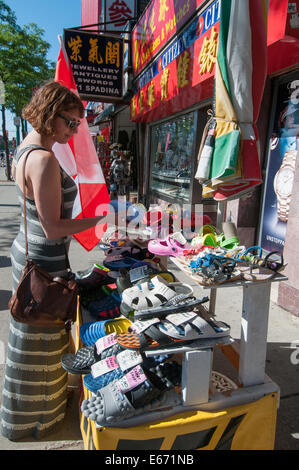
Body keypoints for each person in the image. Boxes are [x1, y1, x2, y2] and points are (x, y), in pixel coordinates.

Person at [0, 81, 106, 441]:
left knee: (31, 334)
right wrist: (98, 218)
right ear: (50, 113)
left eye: (78, 123)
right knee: (42, 342)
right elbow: (53, 225)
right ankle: (40, 420)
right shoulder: (43, 158)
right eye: (70, 122)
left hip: (28, 255)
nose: (74, 130)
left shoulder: (24, 149)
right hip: (43, 261)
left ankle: (27, 415)